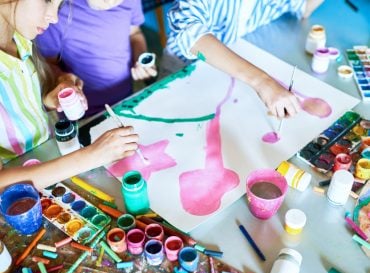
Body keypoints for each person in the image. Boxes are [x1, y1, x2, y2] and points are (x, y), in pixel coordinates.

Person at [0, 0, 139, 192]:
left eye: (59, 6)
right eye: (48, 1)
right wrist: (91, 156)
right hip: (20, 199)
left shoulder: (19, 39)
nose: (54, 17)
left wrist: (50, 101)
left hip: (50, 165)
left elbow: (14, 111)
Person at [164, 0, 324, 118]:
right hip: (184, 70)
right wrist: (262, 82)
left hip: (234, 72)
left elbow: (304, 8)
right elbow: (190, 35)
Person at [36, 0, 158, 118]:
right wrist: (63, 79)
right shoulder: (59, 13)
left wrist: (141, 60)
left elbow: (134, 33)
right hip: (84, 112)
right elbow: (47, 63)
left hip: (127, 96)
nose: (111, 3)